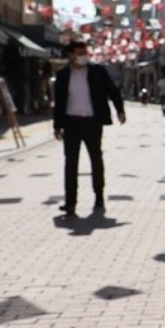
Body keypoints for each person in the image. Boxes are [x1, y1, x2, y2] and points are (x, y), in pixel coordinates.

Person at [53, 41, 125, 217]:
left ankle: (99, 196)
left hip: (93, 122)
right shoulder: (63, 75)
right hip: (71, 123)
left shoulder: (97, 71)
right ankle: (70, 203)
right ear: (71, 55)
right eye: (80, 53)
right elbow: (59, 102)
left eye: (85, 52)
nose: (84, 56)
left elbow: (112, 91)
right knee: (71, 164)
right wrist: (57, 125)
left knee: (96, 159)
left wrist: (120, 110)